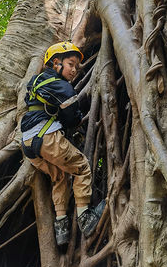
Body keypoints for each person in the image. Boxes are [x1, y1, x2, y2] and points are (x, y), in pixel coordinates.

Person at [20, 41, 105, 245]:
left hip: (28, 143)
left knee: (59, 177)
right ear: (56, 63)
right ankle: (85, 218)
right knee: (82, 167)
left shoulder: (35, 81)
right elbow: (71, 111)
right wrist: (75, 120)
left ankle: (61, 228)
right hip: (48, 138)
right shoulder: (59, 83)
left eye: (77, 66)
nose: (75, 70)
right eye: (71, 64)